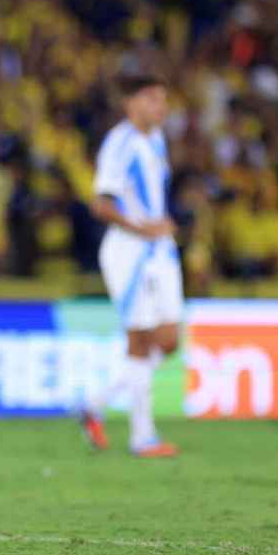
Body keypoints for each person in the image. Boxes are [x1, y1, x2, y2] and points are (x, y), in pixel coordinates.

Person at [81, 74, 182, 458]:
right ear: (131, 104)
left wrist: (159, 225)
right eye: (154, 100)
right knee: (139, 340)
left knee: (169, 340)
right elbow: (100, 203)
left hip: (160, 248)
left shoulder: (156, 139)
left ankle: (95, 401)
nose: (162, 107)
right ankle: (143, 437)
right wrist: (141, 228)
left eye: (163, 100)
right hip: (130, 250)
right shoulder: (118, 144)